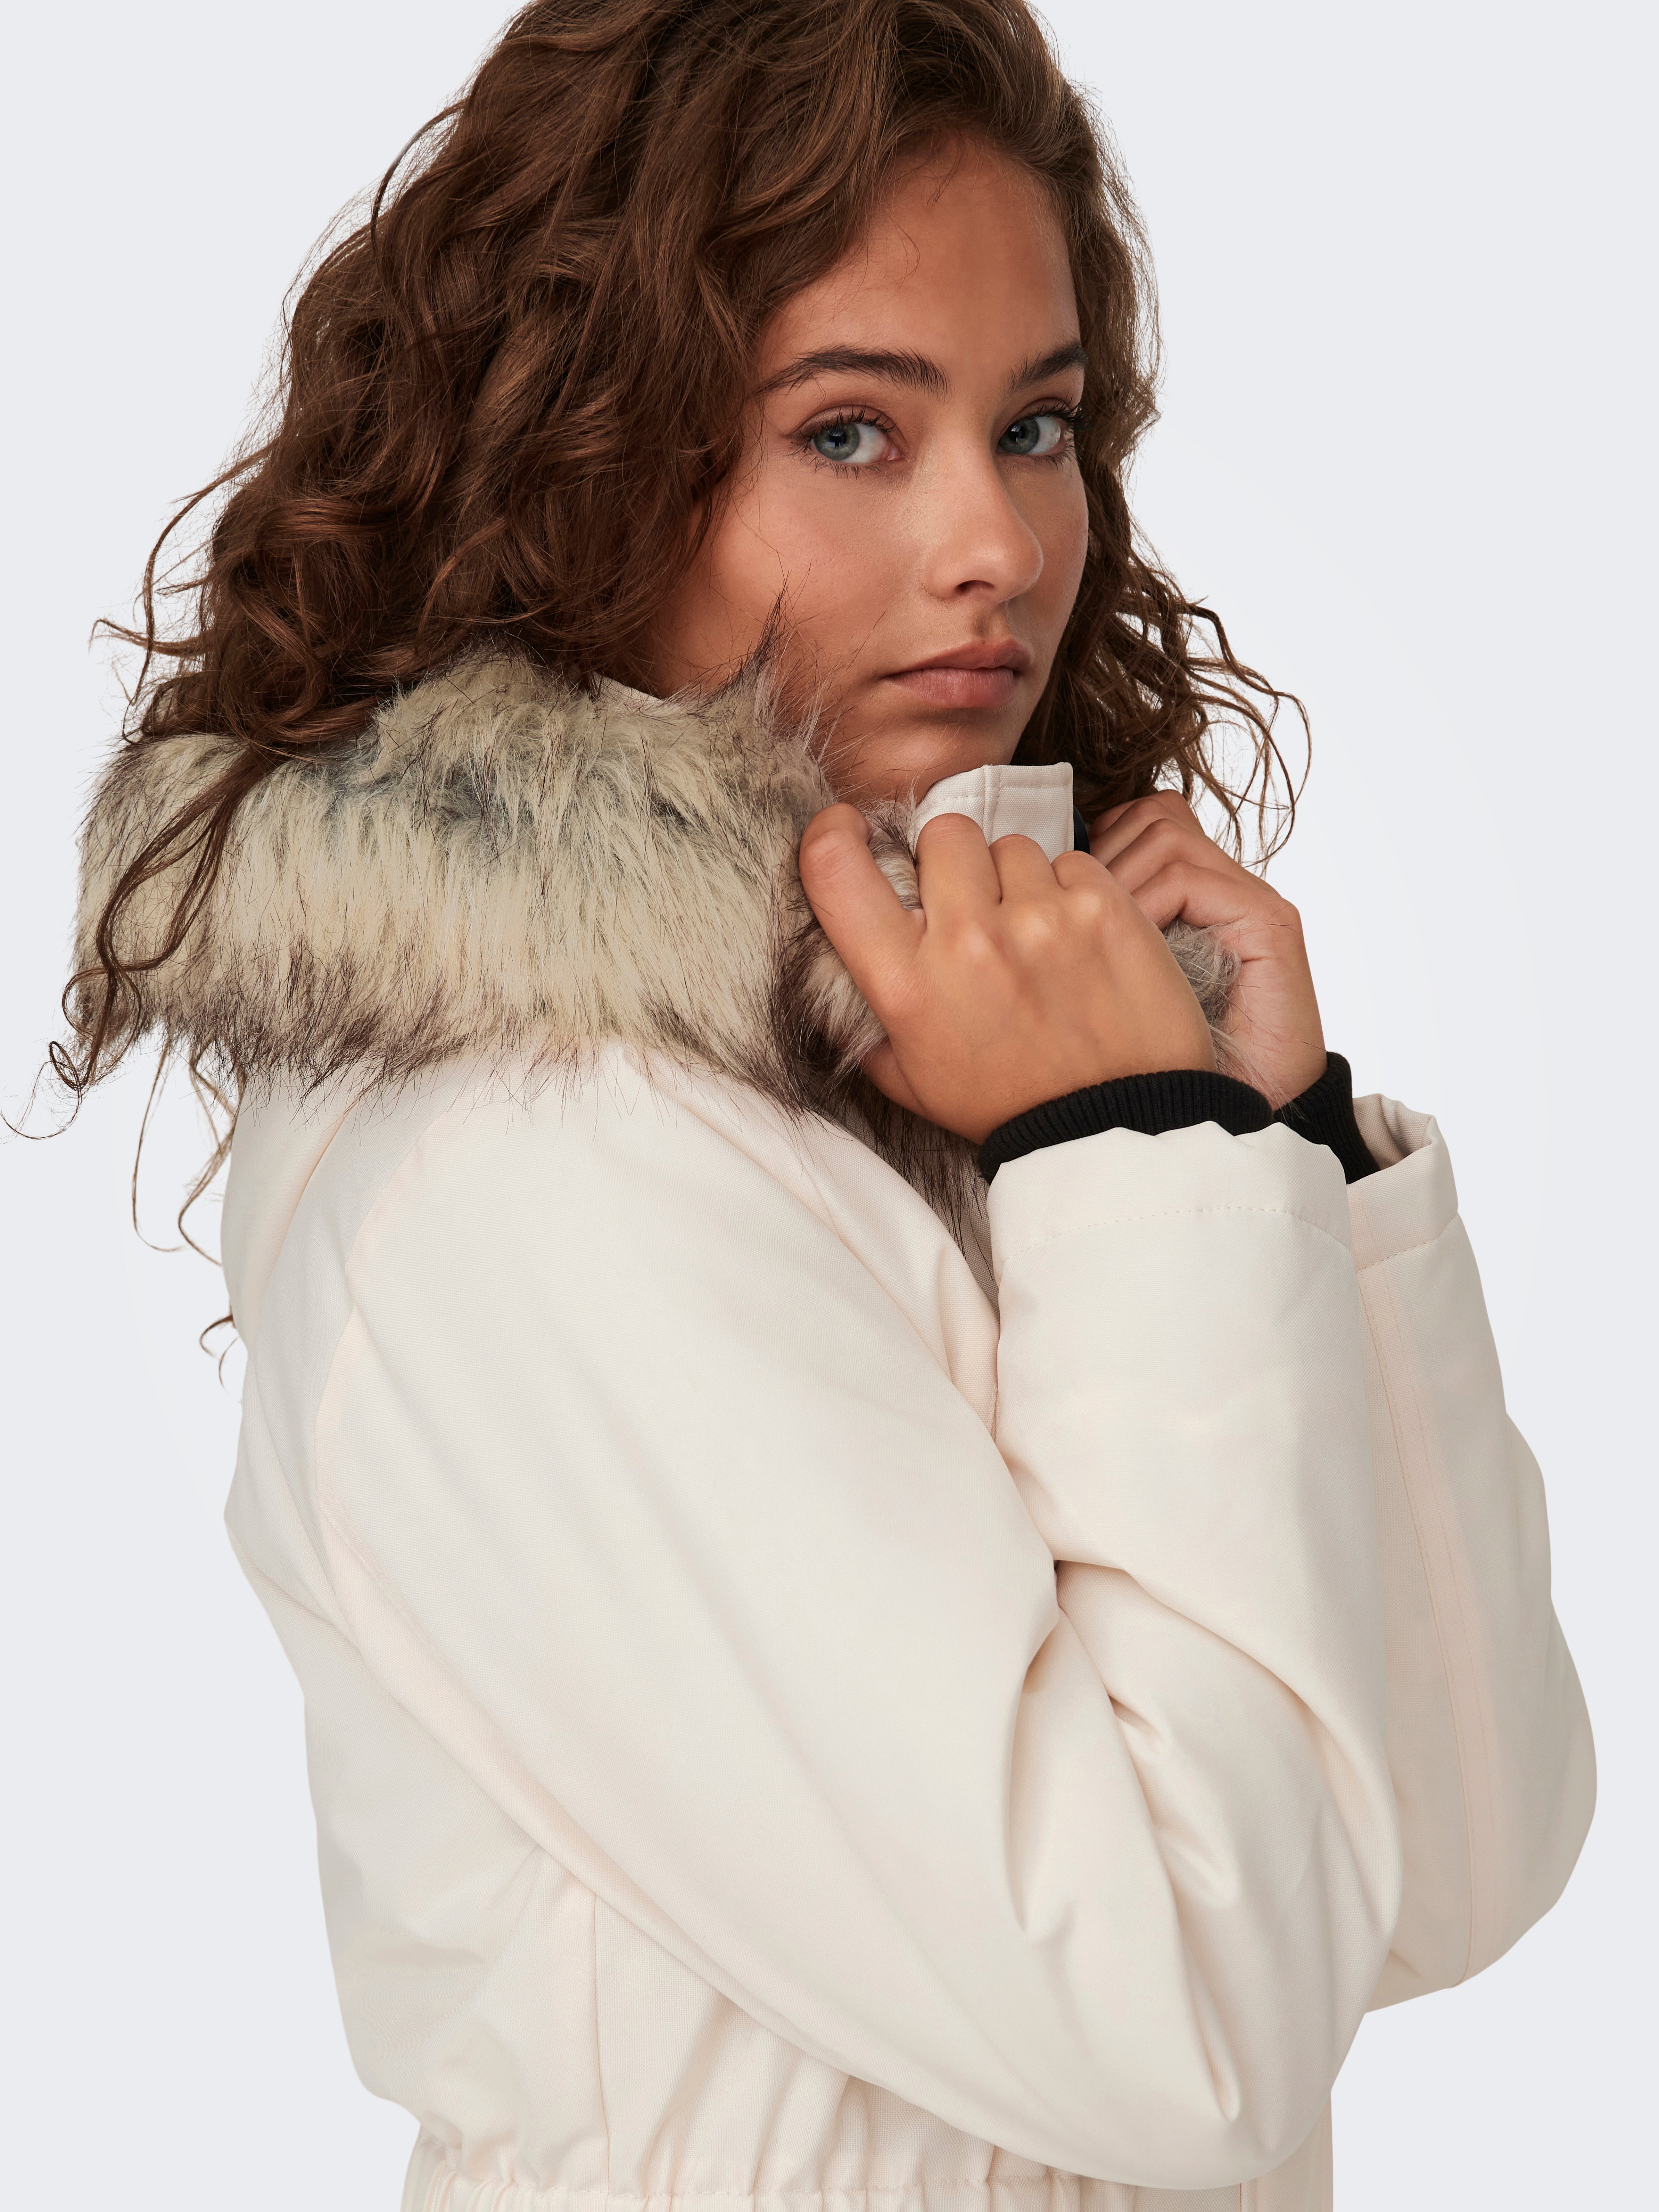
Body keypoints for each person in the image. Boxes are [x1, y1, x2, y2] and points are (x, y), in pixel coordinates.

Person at [60, 3, 1593, 2206]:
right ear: (587, 450)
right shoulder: (533, 1159)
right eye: (851, 434)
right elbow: (1185, 2027)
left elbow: (1445, 1872)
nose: (996, 545)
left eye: (1036, 427)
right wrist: (1130, 1157)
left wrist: (1271, 1150)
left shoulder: (972, 1074)